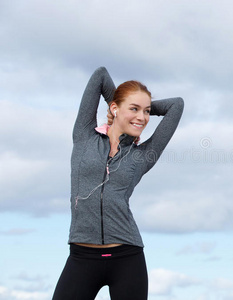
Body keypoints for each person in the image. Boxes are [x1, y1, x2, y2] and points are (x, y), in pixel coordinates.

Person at [52, 67, 184, 300]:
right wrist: (125, 104)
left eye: (147, 111)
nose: (142, 117)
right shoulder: (84, 136)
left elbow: (177, 105)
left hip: (127, 257)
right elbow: (100, 75)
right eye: (135, 109)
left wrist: (136, 109)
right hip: (82, 257)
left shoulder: (143, 155)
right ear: (114, 107)